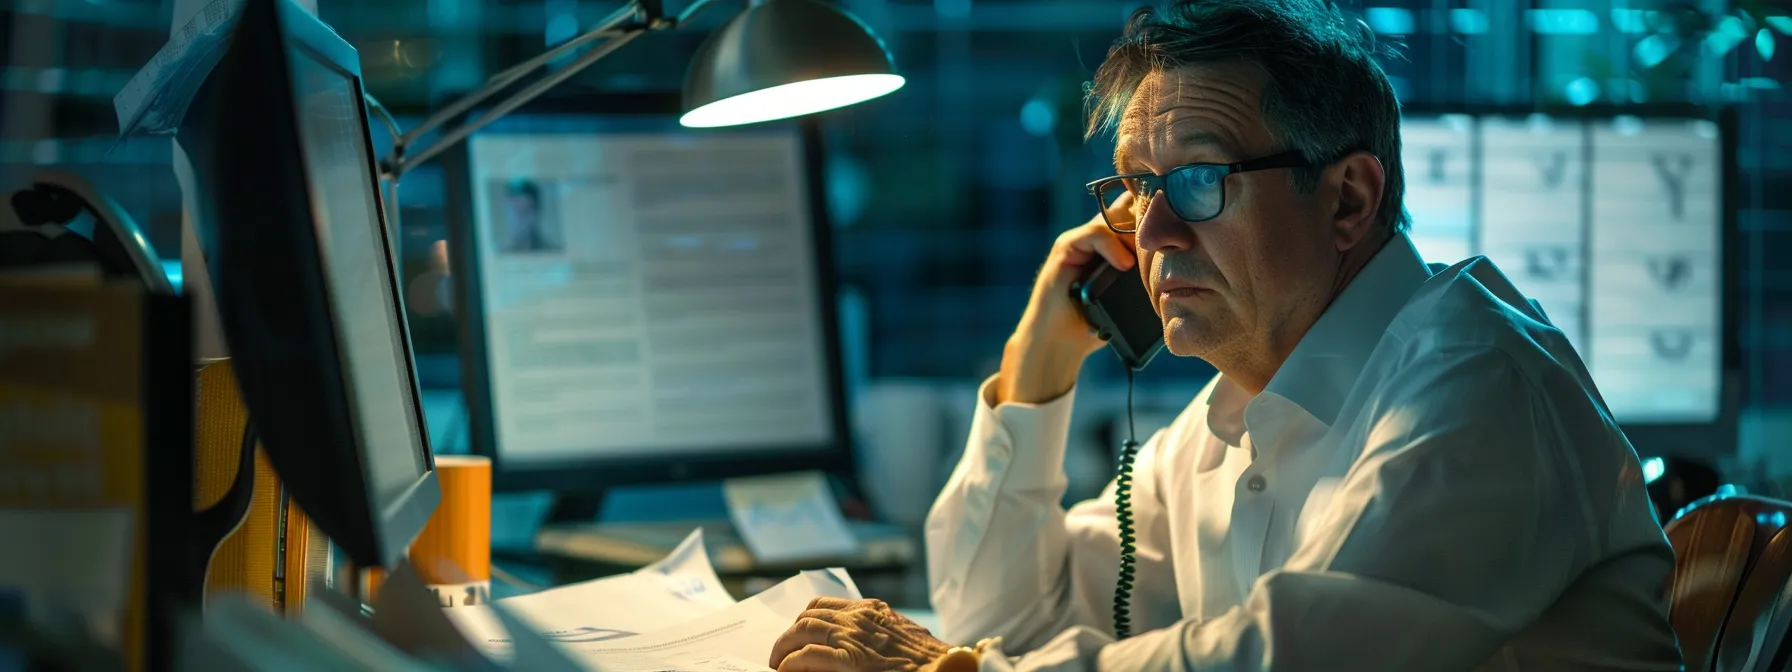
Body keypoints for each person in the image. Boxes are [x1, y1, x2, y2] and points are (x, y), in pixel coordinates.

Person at [766, 1, 1685, 670]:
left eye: (1200, 179)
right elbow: (1001, 618)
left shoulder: (1477, 381)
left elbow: (1287, 658)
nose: (1153, 233)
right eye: (1135, 186)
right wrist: (1036, 368)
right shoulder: (1232, 415)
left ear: (1348, 199)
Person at [500, 179, 552, 252]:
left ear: (535, 214)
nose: (515, 219)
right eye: (511, 211)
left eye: (521, 210)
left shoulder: (551, 252)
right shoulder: (503, 255)